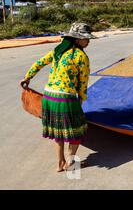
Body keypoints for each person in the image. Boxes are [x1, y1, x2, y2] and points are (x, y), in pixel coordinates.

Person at [20, 23, 96, 172]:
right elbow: (83, 82)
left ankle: (60, 163)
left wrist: (27, 77)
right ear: (77, 39)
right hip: (65, 99)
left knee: (58, 130)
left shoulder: (58, 50)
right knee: (78, 131)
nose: (88, 41)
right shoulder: (81, 57)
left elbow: (39, 62)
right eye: (85, 38)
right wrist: (81, 99)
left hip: (48, 97)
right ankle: (70, 161)